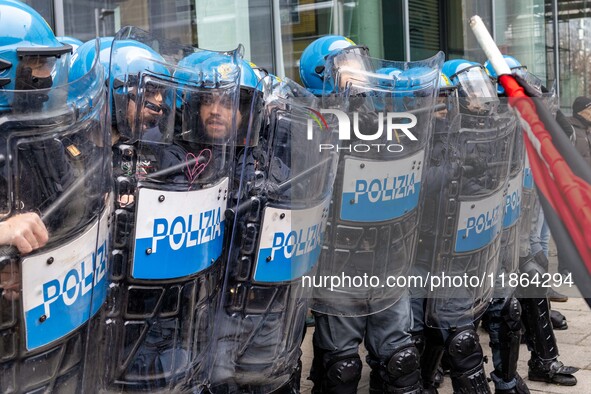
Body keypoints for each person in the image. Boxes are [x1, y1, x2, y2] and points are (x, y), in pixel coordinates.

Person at [300, 35, 441, 394]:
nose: (360, 72)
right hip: (339, 266)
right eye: (347, 66)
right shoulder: (309, 125)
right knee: (341, 368)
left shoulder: (387, 121)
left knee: (401, 361)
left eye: (359, 63)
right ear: (322, 74)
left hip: (388, 259)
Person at [0, 2, 111, 393]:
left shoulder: (42, 137)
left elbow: (71, 209)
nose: (48, 76)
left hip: (57, 332)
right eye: (38, 64)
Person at [569, 96, 591, 167]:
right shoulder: (570, 129)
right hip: (578, 176)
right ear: (580, 112)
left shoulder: (588, 129)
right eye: (590, 109)